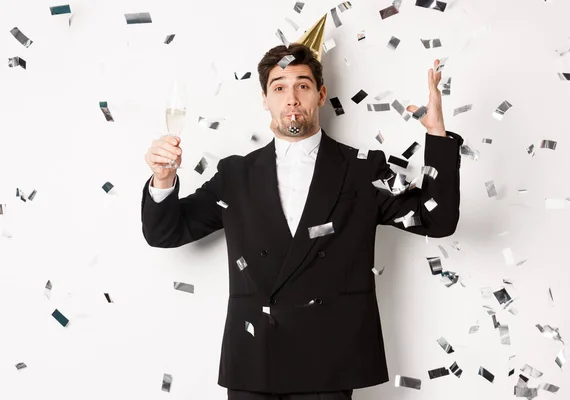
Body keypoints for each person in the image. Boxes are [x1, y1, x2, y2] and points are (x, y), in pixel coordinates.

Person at [142, 41, 463, 399]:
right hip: (253, 362)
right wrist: (162, 178)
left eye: (302, 85)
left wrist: (437, 135)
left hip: (329, 362)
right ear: (264, 99)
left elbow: (437, 219)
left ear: (321, 94)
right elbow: (164, 232)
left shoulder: (363, 169)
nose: (291, 98)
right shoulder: (235, 175)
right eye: (279, 88)